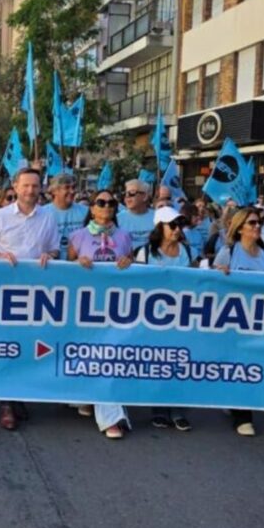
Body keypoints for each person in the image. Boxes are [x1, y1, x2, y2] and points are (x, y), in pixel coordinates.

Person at [0, 168, 58, 431]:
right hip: (6, 291)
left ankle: (19, 395)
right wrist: (0, 257)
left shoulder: (48, 217)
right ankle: (6, 402)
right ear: (15, 186)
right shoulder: (0, 216)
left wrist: (50, 256)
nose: (30, 191)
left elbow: (54, 249)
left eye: (35, 186)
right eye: (26, 185)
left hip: (36, 291)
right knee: (7, 345)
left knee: (28, 344)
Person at [67, 188, 134, 439]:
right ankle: (86, 398)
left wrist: (129, 263)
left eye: (111, 203)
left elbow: (132, 267)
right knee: (88, 353)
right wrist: (77, 264)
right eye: (101, 202)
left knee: (108, 356)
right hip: (85, 306)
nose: (106, 206)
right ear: (92, 208)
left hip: (114, 306)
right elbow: (65, 269)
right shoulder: (78, 236)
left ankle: (110, 417)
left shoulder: (125, 237)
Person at [213, 207, 264, 436]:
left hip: (261, 318)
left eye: (259, 222)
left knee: (253, 363)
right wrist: (219, 273)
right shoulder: (228, 252)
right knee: (239, 364)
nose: (257, 226)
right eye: (252, 223)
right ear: (240, 227)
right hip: (234, 318)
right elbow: (212, 283)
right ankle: (242, 417)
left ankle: (236, 401)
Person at [134, 206, 194, 432]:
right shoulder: (145, 253)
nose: (178, 229)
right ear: (160, 227)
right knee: (158, 363)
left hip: (181, 316)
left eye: (180, 225)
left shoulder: (187, 251)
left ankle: (178, 410)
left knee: (179, 362)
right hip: (153, 318)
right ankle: (159, 409)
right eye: (173, 225)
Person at [48, 174, 87, 261]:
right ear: (54, 191)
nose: (72, 191)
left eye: (73, 187)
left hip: (79, 264)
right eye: (67, 188)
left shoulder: (86, 212)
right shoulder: (43, 213)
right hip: (52, 264)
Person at [118, 179, 155, 250]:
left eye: (131, 193)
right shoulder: (117, 219)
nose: (127, 197)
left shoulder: (157, 217)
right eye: (125, 194)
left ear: (145, 196)